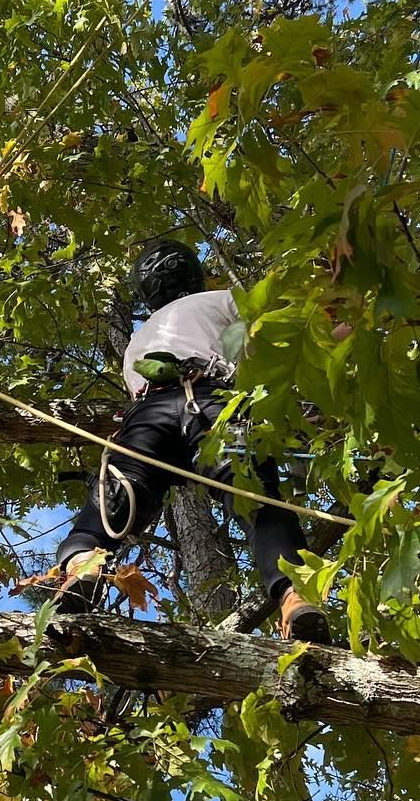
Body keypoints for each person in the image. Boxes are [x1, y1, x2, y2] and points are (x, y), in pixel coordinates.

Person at [54, 238, 332, 642]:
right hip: (210, 399)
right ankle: (293, 596)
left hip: (147, 412)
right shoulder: (222, 300)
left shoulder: (136, 342)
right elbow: (284, 341)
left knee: (120, 493)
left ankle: (84, 564)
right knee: (252, 493)